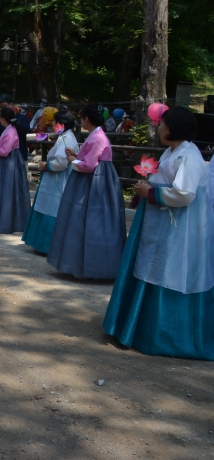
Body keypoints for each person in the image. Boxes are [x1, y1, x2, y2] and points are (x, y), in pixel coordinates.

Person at [104, 107, 214, 359]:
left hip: (177, 228)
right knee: (151, 266)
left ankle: (161, 336)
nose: (159, 127)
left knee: (167, 270)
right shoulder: (173, 151)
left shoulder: (189, 157)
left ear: (174, 127)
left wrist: (150, 193)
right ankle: (136, 327)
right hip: (161, 222)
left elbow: (185, 194)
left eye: (162, 124)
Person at [46, 103, 127, 279]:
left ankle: (91, 267)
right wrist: (75, 157)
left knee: (88, 222)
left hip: (94, 183)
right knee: (87, 222)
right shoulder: (96, 135)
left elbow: (90, 165)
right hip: (93, 181)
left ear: (86, 119)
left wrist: (72, 162)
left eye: (82, 118)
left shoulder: (97, 137)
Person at [22, 111, 79, 254]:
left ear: (62, 124)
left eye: (55, 122)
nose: (52, 124)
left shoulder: (68, 139)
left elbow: (61, 161)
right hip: (54, 179)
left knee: (53, 208)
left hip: (58, 179)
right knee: (47, 206)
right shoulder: (64, 137)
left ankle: (48, 245)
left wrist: (46, 165)